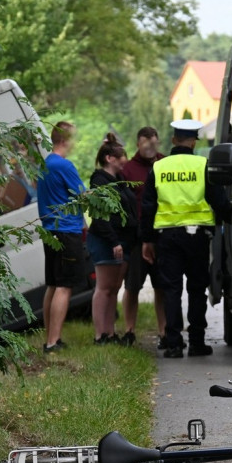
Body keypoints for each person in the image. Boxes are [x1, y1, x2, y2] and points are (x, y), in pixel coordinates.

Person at [140, 119, 230, 358]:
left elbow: (148, 207)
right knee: (197, 289)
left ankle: (173, 344)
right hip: (197, 238)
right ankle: (198, 343)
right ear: (193, 141)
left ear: (173, 140)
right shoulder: (203, 165)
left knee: (171, 290)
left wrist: (147, 240)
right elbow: (218, 200)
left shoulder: (158, 168)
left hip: (167, 239)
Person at [37, 121, 87, 353]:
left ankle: (50, 336)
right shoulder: (65, 165)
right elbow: (83, 196)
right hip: (67, 230)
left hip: (50, 230)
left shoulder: (44, 164)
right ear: (65, 140)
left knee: (54, 284)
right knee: (64, 287)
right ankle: (53, 342)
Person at [86, 133, 138, 345]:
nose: (124, 160)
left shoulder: (119, 181)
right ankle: (100, 334)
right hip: (107, 241)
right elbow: (101, 216)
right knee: (104, 288)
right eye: (121, 156)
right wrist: (113, 241)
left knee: (114, 288)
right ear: (110, 158)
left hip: (124, 241)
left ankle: (110, 331)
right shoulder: (99, 181)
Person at [120, 126, 166, 348]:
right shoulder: (128, 170)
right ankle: (129, 330)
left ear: (159, 143)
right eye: (146, 143)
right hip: (137, 239)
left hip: (162, 236)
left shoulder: (165, 164)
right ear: (138, 145)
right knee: (132, 286)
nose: (150, 147)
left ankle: (164, 331)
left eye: (154, 143)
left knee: (162, 287)